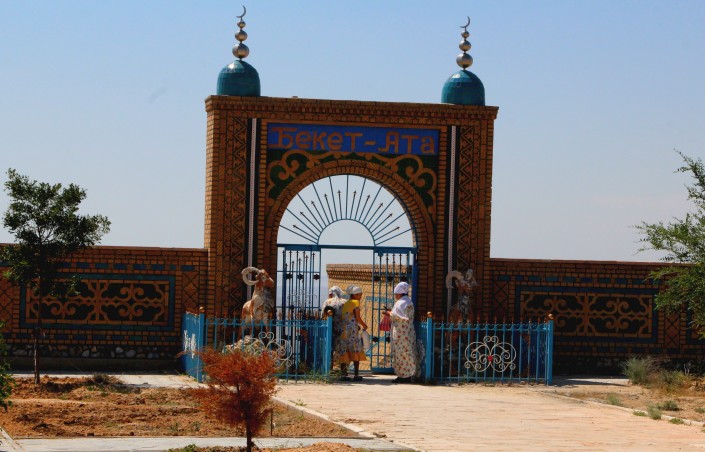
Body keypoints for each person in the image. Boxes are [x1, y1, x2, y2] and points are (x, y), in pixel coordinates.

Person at [383, 281, 417, 383]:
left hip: (402, 333)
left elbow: (402, 318)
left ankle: (406, 376)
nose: (395, 296)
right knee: (401, 353)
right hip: (404, 333)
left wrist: (389, 313)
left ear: (400, 293)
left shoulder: (402, 303)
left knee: (403, 353)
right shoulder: (406, 302)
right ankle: (402, 375)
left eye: (396, 294)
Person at [338, 285, 368, 381]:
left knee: (344, 350)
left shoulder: (346, 303)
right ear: (355, 295)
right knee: (356, 349)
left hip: (344, 331)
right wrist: (364, 325)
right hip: (352, 332)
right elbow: (357, 317)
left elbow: (347, 317)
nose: (361, 297)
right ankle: (356, 375)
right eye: (359, 295)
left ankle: (343, 374)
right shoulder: (356, 302)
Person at [321, 286, 345, 363]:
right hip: (342, 329)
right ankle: (343, 368)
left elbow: (323, 315)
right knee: (341, 350)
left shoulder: (327, 302)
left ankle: (329, 366)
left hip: (330, 329)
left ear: (331, 294)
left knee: (329, 349)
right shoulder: (345, 302)